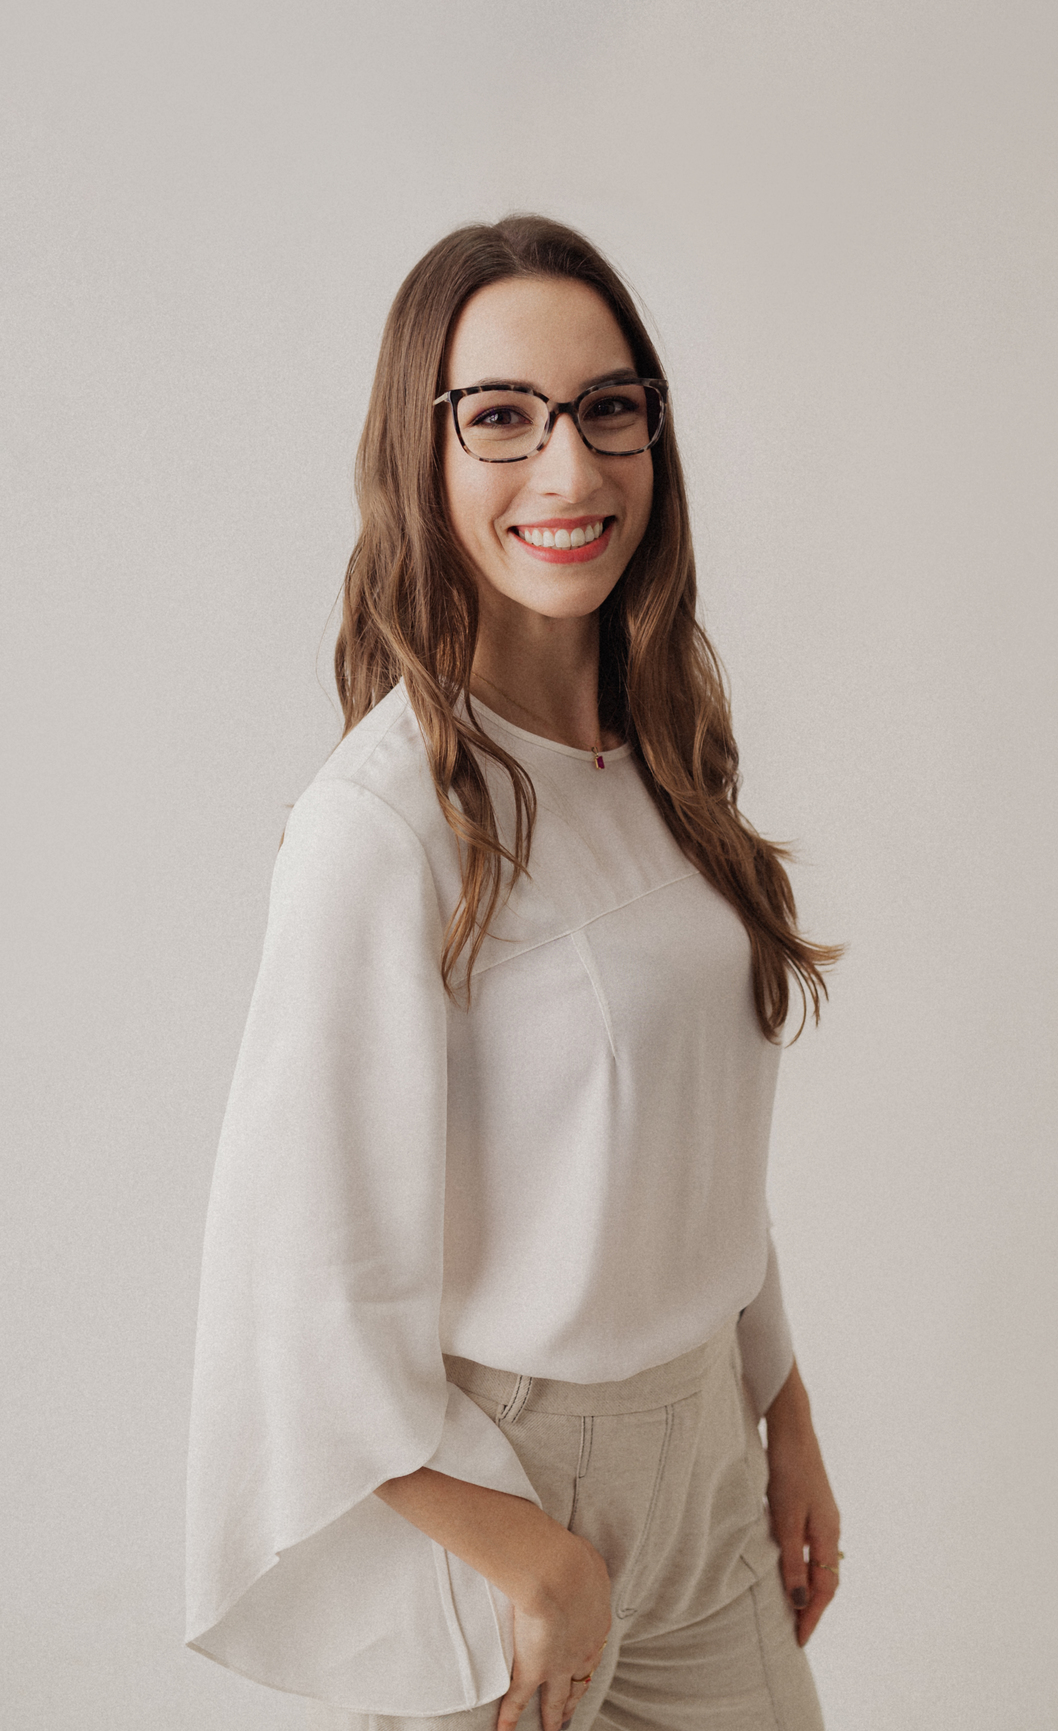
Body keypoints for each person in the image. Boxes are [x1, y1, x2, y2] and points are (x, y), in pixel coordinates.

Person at [185, 215, 842, 1731]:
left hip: (711, 1460)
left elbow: (695, 1137)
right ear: (420, 455)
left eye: (609, 408)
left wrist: (781, 1401)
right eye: (501, 417)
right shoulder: (381, 826)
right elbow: (301, 1278)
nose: (569, 468)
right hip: (503, 1506)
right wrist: (530, 1558)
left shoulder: (663, 762)